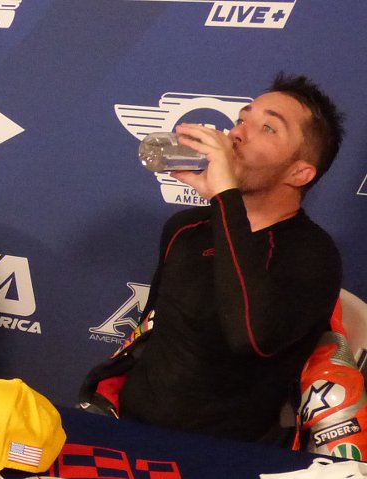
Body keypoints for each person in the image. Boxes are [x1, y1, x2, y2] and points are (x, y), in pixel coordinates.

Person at [80, 73, 345, 444]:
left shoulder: (314, 253)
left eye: (268, 128)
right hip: (126, 427)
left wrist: (224, 197)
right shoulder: (185, 228)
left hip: (222, 453)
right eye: (242, 119)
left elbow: (250, 336)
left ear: (300, 172)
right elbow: (155, 332)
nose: (237, 133)